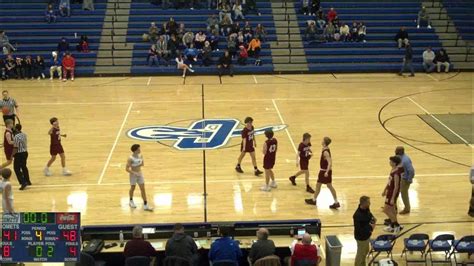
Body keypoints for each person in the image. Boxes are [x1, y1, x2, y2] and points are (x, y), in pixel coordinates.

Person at [305, 137, 340, 209]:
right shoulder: (325, 149)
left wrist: (327, 172)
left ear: (324, 142)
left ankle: (314, 200)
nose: (321, 141)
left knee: (320, 186)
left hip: (324, 171)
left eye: (322, 140)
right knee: (326, 186)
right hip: (324, 171)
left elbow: (330, 163)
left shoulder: (325, 152)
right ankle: (335, 202)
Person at [125, 144, 153, 211]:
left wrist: (140, 163)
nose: (140, 150)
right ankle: (131, 201)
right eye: (138, 149)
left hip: (140, 174)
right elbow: (127, 169)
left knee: (143, 189)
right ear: (135, 151)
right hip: (133, 175)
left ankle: (145, 204)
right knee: (133, 188)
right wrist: (134, 172)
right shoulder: (130, 158)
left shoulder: (140, 155)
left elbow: (142, 164)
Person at [382, 156, 403, 233]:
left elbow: (397, 187)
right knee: (392, 210)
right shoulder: (392, 169)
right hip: (389, 191)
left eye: (390, 161)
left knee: (386, 210)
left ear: (394, 163)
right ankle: (393, 226)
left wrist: (392, 198)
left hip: (393, 193)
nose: (389, 162)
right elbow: (389, 181)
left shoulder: (397, 173)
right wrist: (385, 190)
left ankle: (396, 225)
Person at [353, 196, 376, 266]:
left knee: (365, 252)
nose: (370, 203)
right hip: (361, 238)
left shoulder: (366, 209)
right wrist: (370, 228)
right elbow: (359, 230)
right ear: (364, 203)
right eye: (368, 202)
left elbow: (371, 217)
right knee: (360, 255)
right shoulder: (357, 215)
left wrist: (373, 222)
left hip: (367, 236)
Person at [395, 146, 415, 215]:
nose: (395, 152)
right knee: (396, 191)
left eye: (396, 151)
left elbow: (411, 170)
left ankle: (407, 209)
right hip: (401, 178)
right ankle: (391, 206)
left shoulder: (405, 160)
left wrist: (409, 179)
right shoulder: (400, 158)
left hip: (405, 180)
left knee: (404, 194)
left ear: (400, 152)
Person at [12, 124, 30, 190]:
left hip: (19, 154)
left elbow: (16, 148)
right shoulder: (24, 134)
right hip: (25, 153)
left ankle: (23, 182)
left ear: (16, 129)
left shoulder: (16, 136)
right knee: (24, 167)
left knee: (16, 169)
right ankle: (28, 181)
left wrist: (11, 155)